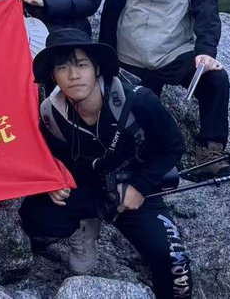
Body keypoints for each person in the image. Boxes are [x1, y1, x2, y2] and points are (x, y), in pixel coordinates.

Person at [22, 29, 193, 299]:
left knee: (172, 259)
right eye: (62, 67)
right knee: (34, 217)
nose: (73, 74)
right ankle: (85, 226)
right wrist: (54, 181)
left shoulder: (138, 100)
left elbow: (172, 145)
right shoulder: (49, 112)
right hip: (85, 188)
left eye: (81, 64)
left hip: (132, 187)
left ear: (96, 68)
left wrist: (140, 186)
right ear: (53, 76)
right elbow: (51, 156)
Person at [99, 0, 230, 175]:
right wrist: (105, 55)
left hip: (174, 54)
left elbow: (207, 10)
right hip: (129, 55)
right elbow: (113, 5)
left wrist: (207, 52)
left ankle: (210, 151)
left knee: (215, 80)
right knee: (132, 125)